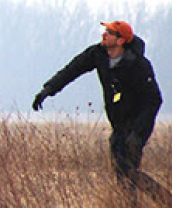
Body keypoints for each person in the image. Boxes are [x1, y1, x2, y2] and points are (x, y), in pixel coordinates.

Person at [32, 20, 164, 192]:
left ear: (120, 40)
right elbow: (72, 70)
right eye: (105, 31)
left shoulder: (139, 65)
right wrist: (48, 89)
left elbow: (154, 100)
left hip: (137, 124)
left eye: (109, 32)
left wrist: (137, 133)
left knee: (129, 172)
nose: (104, 34)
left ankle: (165, 201)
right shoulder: (98, 53)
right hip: (118, 123)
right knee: (122, 174)